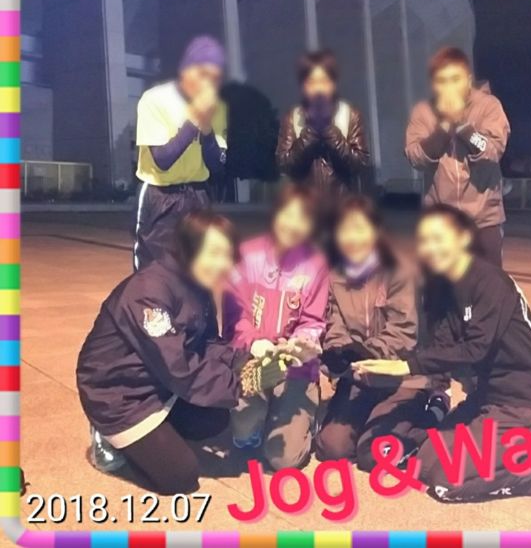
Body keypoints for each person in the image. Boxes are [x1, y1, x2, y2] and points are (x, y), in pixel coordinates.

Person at [354, 204, 531, 502]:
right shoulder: (444, 289)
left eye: (438, 238)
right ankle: (522, 444)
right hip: (486, 400)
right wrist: (385, 374)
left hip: (522, 403)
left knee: (447, 481)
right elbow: (442, 351)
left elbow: (475, 349)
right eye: (424, 241)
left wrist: (406, 366)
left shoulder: (490, 282)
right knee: (425, 462)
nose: (430, 248)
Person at [77, 210, 295, 495]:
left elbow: (207, 344)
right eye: (213, 253)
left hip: (157, 384)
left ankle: (155, 438)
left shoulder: (196, 285)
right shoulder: (150, 293)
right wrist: (244, 383)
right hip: (119, 395)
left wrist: (248, 357)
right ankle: (108, 436)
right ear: (188, 247)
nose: (222, 263)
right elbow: (179, 368)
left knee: (215, 419)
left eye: (226, 254)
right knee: (181, 477)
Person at [315, 195, 450, 471]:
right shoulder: (335, 276)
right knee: (332, 449)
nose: (352, 238)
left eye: (360, 228)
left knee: (374, 454)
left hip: (403, 378)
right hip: (360, 377)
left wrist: (366, 354)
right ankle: (368, 417)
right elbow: (334, 326)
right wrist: (340, 355)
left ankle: (434, 410)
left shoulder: (399, 270)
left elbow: (404, 332)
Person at [227, 184, 329, 470]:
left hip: (294, 368)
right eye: (288, 214)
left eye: (303, 218)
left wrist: (302, 345)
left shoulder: (316, 264)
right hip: (253, 362)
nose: (294, 225)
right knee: (244, 436)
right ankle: (261, 414)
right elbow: (235, 312)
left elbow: (313, 320)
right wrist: (255, 342)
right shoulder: (247, 255)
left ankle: (307, 416)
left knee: (283, 459)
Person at [405, 47, 510, 267]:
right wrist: (444, 127)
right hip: (441, 224)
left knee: (489, 285)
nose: (449, 87)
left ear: (468, 79)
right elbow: (415, 157)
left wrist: (463, 126)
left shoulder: (489, 106)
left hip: (484, 221)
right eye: (442, 81)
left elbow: (492, 150)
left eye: (455, 79)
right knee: (442, 287)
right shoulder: (423, 112)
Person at [134, 36, 229, 271]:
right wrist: (194, 120)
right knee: (155, 272)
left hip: (198, 194)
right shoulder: (154, 100)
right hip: (161, 194)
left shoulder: (217, 107)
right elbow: (162, 159)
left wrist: (207, 134)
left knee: (199, 269)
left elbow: (217, 164)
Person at [276, 49, 370, 201]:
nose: (318, 89)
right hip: (305, 207)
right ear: (303, 86)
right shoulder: (293, 117)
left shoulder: (349, 114)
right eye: (312, 82)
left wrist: (329, 131)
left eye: (324, 81)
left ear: (334, 84)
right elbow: (285, 164)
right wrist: (310, 133)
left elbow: (360, 164)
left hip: (341, 205)